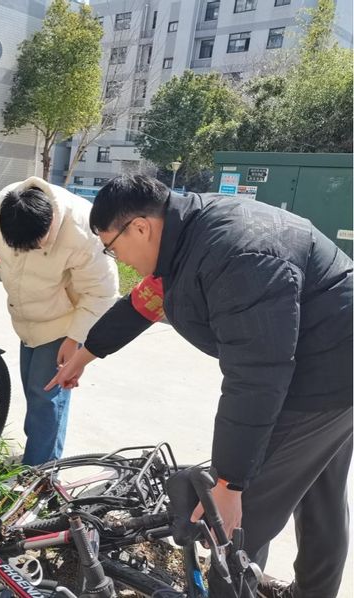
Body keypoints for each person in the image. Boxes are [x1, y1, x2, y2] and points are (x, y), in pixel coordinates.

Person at [47, 174, 353, 598]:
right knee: (320, 493)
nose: (119, 259)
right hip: (336, 362)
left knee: (235, 518)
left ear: (140, 228)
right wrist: (86, 353)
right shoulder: (188, 231)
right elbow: (143, 303)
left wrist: (230, 482)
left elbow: (256, 376)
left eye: (112, 247)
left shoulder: (236, 257)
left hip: (322, 377)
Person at [0, 177, 118, 466]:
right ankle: (38, 459)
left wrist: (75, 339)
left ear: (51, 224)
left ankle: (40, 472)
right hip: (26, 319)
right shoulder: (1, 208)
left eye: (35, 245)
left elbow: (102, 293)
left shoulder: (82, 228)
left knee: (46, 397)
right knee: (35, 394)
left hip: (64, 323)